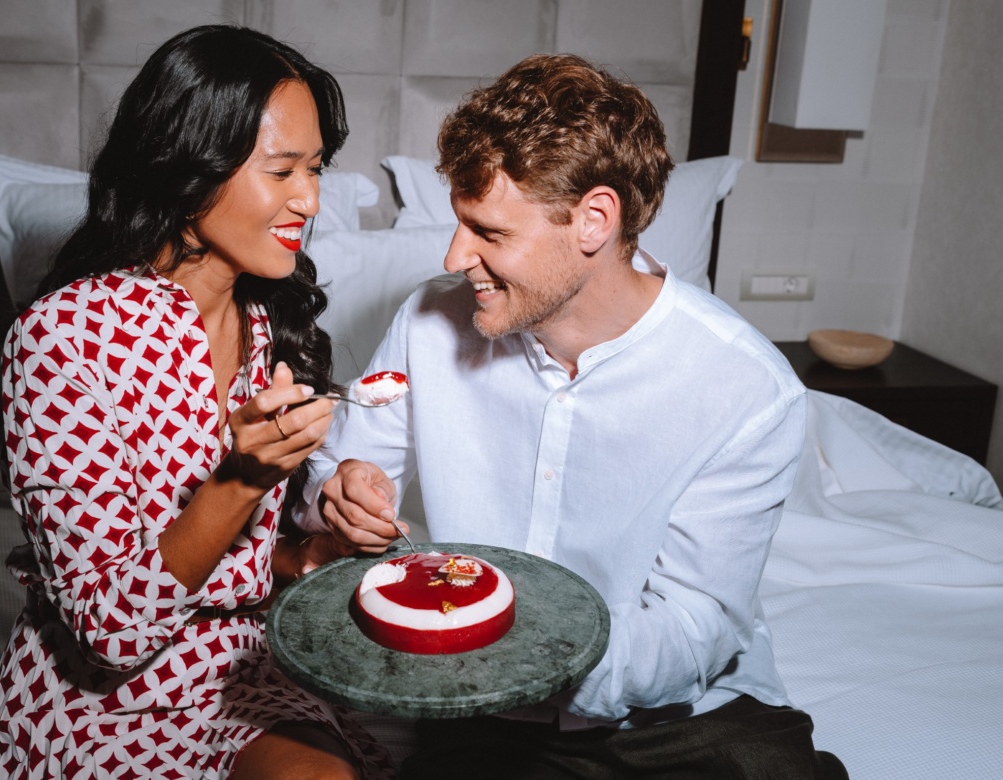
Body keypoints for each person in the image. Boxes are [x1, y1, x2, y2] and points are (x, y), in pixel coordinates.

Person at [300, 54, 847, 779]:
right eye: (458, 223)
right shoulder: (428, 322)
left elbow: (693, 625)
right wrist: (341, 491)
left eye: (488, 232)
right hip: (482, 714)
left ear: (594, 220)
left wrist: (532, 660)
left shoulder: (747, 387)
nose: (455, 254)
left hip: (683, 718)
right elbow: (337, 477)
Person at [0, 25, 393, 780]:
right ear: (189, 167)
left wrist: (321, 542)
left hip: (246, 674)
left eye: (316, 169)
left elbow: (250, 568)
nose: (310, 199)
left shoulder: (268, 323)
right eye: (282, 170)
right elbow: (112, 633)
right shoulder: (62, 340)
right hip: (104, 700)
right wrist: (240, 477)